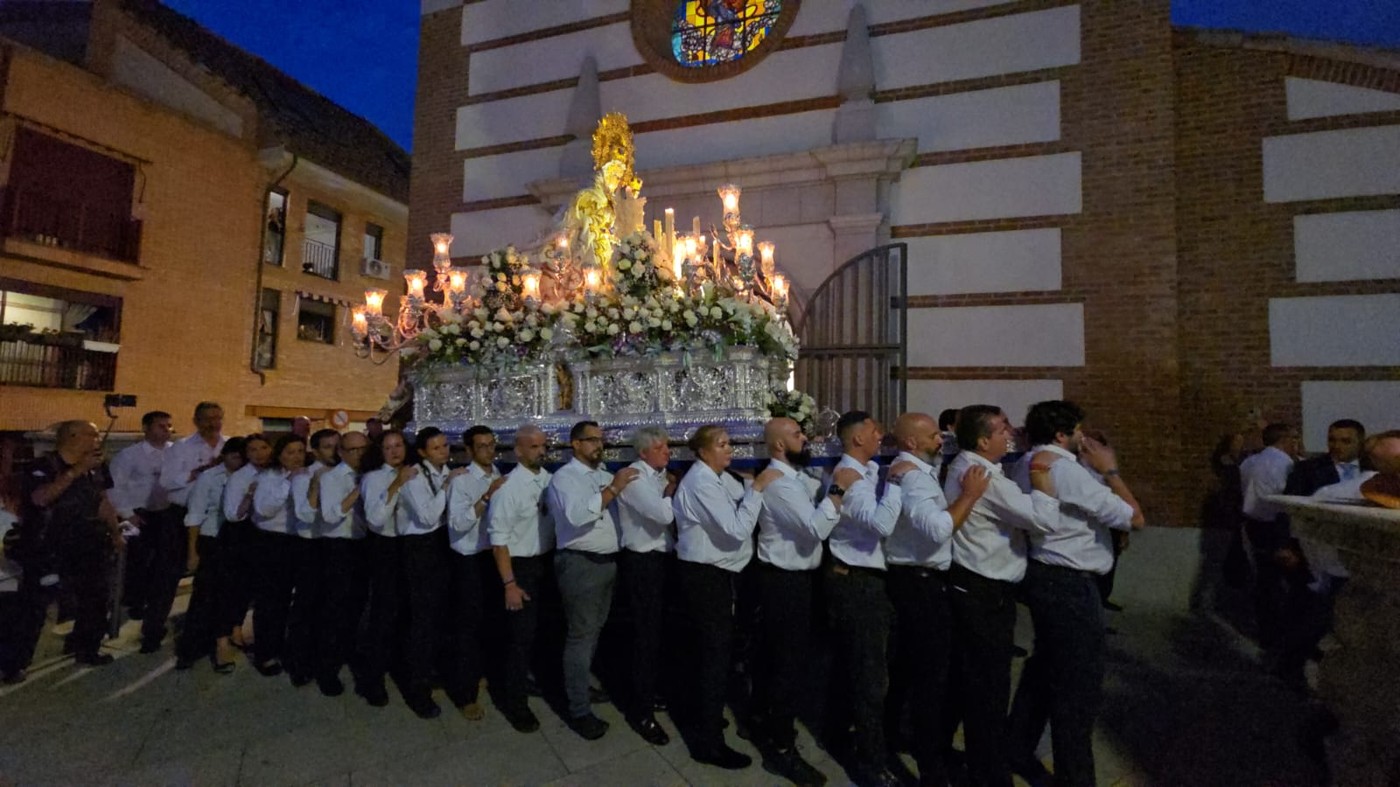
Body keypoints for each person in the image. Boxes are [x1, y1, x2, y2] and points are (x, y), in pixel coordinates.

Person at [1006, 401, 1145, 787]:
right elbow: (1135, 517)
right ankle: (1075, 778)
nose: (1084, 438)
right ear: (1063, 434)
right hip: (1068, 581)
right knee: (1077, 688)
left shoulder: (1028, 462)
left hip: (1046, 576)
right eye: (1079, 430)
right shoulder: (1062, 468)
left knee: (1045, 669)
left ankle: (1016, 747)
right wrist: (1110, 471)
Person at [943, 405, 1058, 787]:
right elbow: (1042, 519)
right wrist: (1041, 478)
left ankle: (964, 760)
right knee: (988, 689)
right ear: (982, 440)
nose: (1010, 432)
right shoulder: (983, 476)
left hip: (982, 587)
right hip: (982, 590)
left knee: (974, 682)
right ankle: (988, 773)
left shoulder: (979, 468)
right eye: (1002, 428)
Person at [882, 412, 989, 787]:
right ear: (911, 442)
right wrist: (971, 496)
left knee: (910, 670)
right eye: (932, 436)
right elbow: (938, 529)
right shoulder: (912, 478)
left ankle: (892, 736)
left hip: (918, 581)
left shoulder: (917, 468)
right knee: (931, 679)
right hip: (919, 583)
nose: (940, 441)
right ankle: (931, 767)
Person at [748, 417, 845, 785]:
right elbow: (817, 527)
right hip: (784, 582)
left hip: (794, 579)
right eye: (796, 434)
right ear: (777, 446)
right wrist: (839, 489)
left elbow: (810, 491)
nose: (804, 438)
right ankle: (782, 749)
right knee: (787, 664)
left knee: (777, 659)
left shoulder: (787, 478)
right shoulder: (779, 486)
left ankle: (761, 719)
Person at [672, 424, 776, 770]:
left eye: (729, 443)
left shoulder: (718, 476)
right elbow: (735, 528)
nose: (729, 449)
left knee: (717, 652)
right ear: (703, 452)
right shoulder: (700, 482)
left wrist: (751, 484)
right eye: (721, 444)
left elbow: (740, 490)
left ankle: (707, 717)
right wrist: (758, 488)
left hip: (718, 574)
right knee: (714, 655)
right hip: (703, 576)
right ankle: (708, 744)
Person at [821, 411, 904, 787]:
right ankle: (871, 762)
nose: (880, 435)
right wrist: (899, 485)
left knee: (855, 664)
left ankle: (838, 731)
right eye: (874, 431)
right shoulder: (851, 477)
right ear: (857, 439)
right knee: (871, 675)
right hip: (856, 581)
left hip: (865, 576)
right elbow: (880, 524)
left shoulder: (866, 471)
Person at [6, 421, 122, 677]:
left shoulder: (97, 466)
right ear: (72, 437)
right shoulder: (41, 467)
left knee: (95, 598)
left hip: (89, 542)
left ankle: (87, 648)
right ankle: (14, 663)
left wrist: (115, 532)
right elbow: (41, 498)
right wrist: (77, 470)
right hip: (48, 545)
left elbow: (102, 501)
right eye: (92, 434)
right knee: (36, 606)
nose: (98, 439)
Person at [546, 421, 639, 740]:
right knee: (581, 636)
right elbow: (576, 516)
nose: (599, 446)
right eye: (591, 440)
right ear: (574, 444)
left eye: (601, 440)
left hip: (607, 563)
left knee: (593, 631)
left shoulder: (601, 475)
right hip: (580, 565)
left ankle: (581, 684)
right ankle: (579, 709)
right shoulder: (565, 478)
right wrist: (612, 489)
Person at [487, 424, 555, 733]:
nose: (540, 451)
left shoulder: (549, 480)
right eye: (533, 447)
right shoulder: (508, 488)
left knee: (540, 634)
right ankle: (513, 702)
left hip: (545, 562)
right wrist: (509, 584)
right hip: (520, 567)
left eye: (543, 446)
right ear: (518, 451)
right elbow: (499, 541)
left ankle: (531, 681)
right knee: (519, 639)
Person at [614, 425, 677, 745]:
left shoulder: (658, 475)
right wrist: (670, 492)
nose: (668, 452)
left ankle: (653, 691)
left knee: (660, 634)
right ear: (643, 452)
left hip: (661, 561)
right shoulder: (635, 478)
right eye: (661, 447)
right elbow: (661, 516)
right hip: (643, 565)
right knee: (645, 637)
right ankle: (640, 711)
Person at [394, 427, 462, 719]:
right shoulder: (413, 476)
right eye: (436, 448)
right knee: (422, 620)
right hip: (420, 548)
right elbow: (427, 516)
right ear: (422, 452)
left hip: (443, 545)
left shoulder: (448, 470)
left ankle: (436, 670)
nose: (443, 452)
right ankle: (416, 687)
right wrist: (448, 487)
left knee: (442, 616)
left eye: (445, 446)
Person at [153, 402, 225, 653]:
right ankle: (153, 629)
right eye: (207, 418)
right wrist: (200, 472)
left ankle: (203, 630)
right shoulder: (181, 448)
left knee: (210, 577)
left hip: (214, 517)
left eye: (217, 417)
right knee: (168, 574)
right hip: (180, 515)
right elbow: (166, 481)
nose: (213, 423)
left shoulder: (229, 445)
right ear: (196, 421)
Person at [443, 425, 505, 721]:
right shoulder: (463, 481)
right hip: (468, 559)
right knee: (466, 628)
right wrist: (486, 498)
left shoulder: (497, 475)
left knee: (490, 623)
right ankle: (465, 693)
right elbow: (457, 524)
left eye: (491, 444)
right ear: (469, 450)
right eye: (481, 446)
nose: (489, 450)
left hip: (493, 556)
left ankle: (483, 672)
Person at [175, 437, 246, 672]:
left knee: (232, 594)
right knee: (205, 596)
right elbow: (195, 514)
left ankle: (223, 641)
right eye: (233, 455)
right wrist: (192, 551)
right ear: (224, 455)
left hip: (238, 542)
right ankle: (190, 647)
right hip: (212, 539)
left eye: (241, 456)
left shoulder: (249, 476)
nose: (238, 460)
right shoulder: (210, 477)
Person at [310, 430, 369, 696]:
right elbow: (331, 515)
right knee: (334, 611)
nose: (359, 454)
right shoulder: (332, 478)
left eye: (362, 449)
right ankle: (327, 668)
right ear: (342, 452)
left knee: (357, 607)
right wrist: (359, 491)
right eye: (352, 450)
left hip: (362, 545)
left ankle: (350, 652)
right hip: (338, 547)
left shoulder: (370, 473)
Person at [357, 429, 413, 708]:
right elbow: (375, 519)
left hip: (411, 548)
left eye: (399, 445)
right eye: (388, 447)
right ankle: (372, 678)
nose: (394, 451)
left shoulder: (414, 472)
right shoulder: (374, 478)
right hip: (385, 549)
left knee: (406, 614)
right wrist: (396, 486)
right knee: (382, 616)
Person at [247, 434, 307, 677]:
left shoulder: (307, 474)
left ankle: (286, 645)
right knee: (271, 601)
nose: (296, 457)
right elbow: (264, 509)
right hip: (272, 543)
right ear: (279, 454)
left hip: (299, 541)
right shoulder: (268, 477)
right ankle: (265, 651)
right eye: (290, 452)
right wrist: (287, 483)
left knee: (292, 602)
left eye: (300, 451)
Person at [107, 410, 171, 629]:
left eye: (168, 426)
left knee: (162, 562)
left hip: (166, 514)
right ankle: (133, 601)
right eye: (160, 426)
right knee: (137, 562)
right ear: (146, 428)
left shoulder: (175, 453)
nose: (166, 430)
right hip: (139, 514)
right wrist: (128, 514)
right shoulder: (129, 455)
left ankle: (152, 600)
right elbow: (115, 486)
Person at [1238, 423, 1300, 648]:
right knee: (1280, 582)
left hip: (1253, 524)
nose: (1297, 444)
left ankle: (1266, 629)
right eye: (1294, 439)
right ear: (1285, 440)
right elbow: (1286, 498)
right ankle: (1281, 633)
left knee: (1264, 579)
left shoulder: (1249, 462)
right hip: (1276, 526)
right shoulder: (1284, 464)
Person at [287, 429, 340, 687]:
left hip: (336, 545)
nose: (334, 451)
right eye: (328, 447)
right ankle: (300, 662)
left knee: (330, 607)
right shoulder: (304, 477)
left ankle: (326, 658)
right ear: (316, 451)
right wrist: (317, 484)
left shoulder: (344, 473)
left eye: (336, 446)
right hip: (311, 546)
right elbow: (305, 515)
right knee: (306, 606)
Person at [218, 433, 272, 652]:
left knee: (258, 587)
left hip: (266, 535)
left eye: (263, 448)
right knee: (239, 586)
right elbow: (232, 514)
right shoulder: (240, 477)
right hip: (241, 536)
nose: (259, 454)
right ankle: (234, 628)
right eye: (253, 450)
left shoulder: (274, 472)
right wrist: (250, 496)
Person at [1285, 420, 1365, 498]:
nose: (1337, 446)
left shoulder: (1372, 467)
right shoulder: (1307, 469)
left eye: (1345, 441)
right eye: (1332, 440)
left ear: (1360, 442)